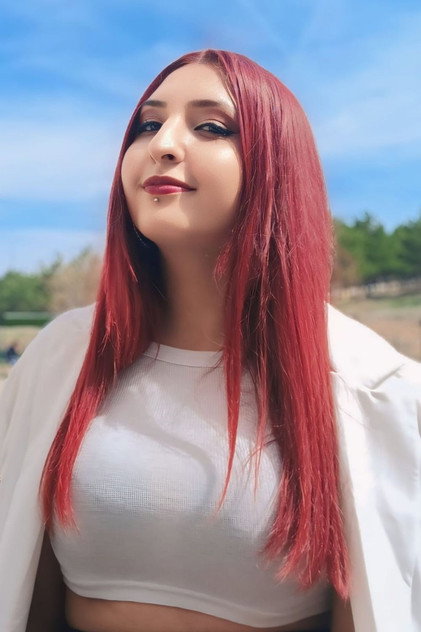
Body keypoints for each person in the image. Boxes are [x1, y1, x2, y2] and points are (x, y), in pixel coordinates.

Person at [0, 49, 419, 632]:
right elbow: (22, 585)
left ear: (278, 168)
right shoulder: (65, 356)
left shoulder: (370, 386)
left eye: (212, 127)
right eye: (148, 124)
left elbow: (376, 605)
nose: (163, 144)